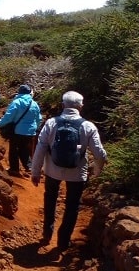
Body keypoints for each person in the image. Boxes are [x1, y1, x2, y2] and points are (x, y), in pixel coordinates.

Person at [31, 91, 107, 251]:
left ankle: (47, 232)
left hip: (52, 170)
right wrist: (97, 172)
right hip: (77, 174)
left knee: (50, 199)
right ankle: (63, 241)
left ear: (63, 105)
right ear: (81, 106)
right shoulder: (88, 126)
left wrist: (35, 172)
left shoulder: (51, 123)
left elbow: (40, 148)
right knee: (72, 206)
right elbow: (100, 154)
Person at [0, 84, 42, 177]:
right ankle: (29, 167)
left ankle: (14, 169)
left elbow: (9, 116)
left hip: (17, 131)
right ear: (30, 93)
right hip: (30, 132)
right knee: (24, 148)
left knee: (14, 150)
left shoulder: (17, 102)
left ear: (19, 92)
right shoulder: (34, 104)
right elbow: (39, 118)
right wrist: (35, 127)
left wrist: (0, 124)